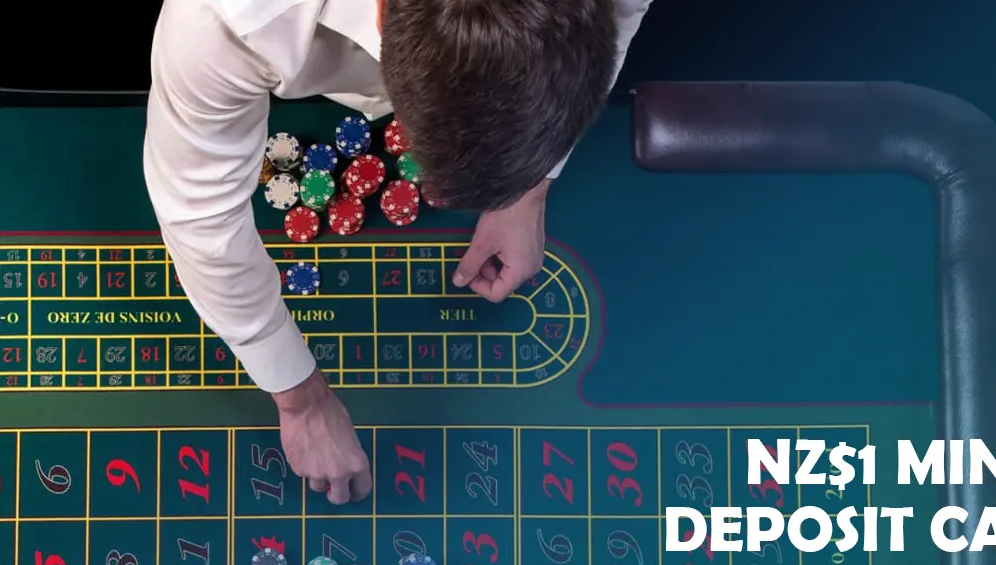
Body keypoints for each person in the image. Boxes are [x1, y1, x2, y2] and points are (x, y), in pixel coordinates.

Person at [142, 0, 653, 505]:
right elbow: (202, 221)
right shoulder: (219, 19)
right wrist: (301, 400)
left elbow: (618, 24)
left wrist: (529, 186)